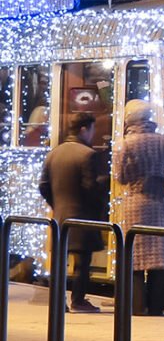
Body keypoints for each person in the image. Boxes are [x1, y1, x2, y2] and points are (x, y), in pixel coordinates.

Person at [112, 100, 164, 315]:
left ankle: (137, 307)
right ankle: (157, 307)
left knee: (136, 256)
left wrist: (135, 175)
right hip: (161, 200)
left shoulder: (126, 143)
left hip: (136, 201)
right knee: (158, 257)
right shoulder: (162, 140)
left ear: (129, 118)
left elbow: (120, 177)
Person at [40, 113, 109, 311]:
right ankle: (78, 300)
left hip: (61, 216)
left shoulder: (54, 152)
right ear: (84, 129)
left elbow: (43, 185)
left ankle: (57, 301)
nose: (93, 134)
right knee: (82, 263)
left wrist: (56, 204)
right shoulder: (88, 154)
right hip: (83, 216)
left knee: (60, 262)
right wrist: (103, 184)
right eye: (93, 130)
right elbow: (90, 188)